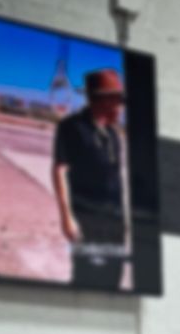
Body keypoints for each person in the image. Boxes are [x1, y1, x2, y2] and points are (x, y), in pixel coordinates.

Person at [51, 68, 128, 289]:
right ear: (101, 101)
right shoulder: (71, 127)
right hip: (87, 220)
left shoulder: (113, 134)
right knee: (86, 276)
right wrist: (66, 217)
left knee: (113, 277)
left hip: (114, 221)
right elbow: (59, 171)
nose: (121, 108)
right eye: (117, 101)